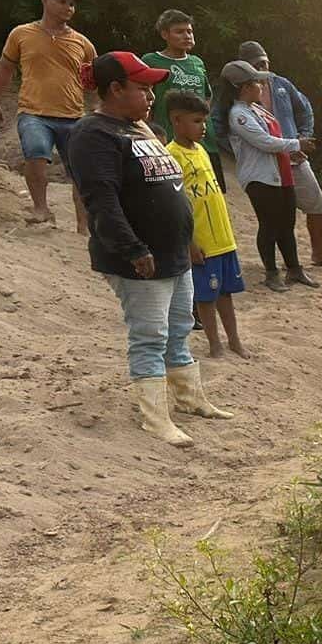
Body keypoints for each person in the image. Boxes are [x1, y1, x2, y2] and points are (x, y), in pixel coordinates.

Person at [70, 52, 231, 447]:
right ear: (115, 89)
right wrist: (133, 249)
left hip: (173, 252)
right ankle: (155, 417)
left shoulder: (137, 126)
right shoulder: (94, 134)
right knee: (150, 335)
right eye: (142, 88)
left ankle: (190, 399)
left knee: (178, 328)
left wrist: (187, 240)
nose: (151, 95)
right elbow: (101, 201)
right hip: (141, 258)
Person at [0, 0, 97, 229]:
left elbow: (96, 78)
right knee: (35, 155)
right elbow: (4, 68)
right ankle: (41, 208)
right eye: (61, 1)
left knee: (82, 173)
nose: (68, 7)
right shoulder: (21, 34)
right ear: (44, 0)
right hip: (34, 112)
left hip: (74, 115)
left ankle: (83, 226)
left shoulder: (83, 43)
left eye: (72, 4)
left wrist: (99, 108)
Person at [231, 40, 322, 268]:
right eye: (256, 65)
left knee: (315, 205)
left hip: (294, 158)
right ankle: (274, 268)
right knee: (272, 219)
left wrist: (303, 136)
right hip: (266, 164)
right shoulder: (240, 102)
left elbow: (305, 108)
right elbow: (256, 138)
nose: (262, 69)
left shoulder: (281, 84)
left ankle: (316, 253)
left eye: (264, 62)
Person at [218, 60, 318, 292]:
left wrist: (292, 147)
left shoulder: (255, 108)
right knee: (269, 225)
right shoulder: (238, 114)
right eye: (256, 82)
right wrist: (296, 143)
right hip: (261, 178)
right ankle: (272, 272)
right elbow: (263, 142)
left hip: (280, 173)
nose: (262, 86)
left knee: (287, 223)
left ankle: (294, 269)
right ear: (242, 87)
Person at [165, 91, 247, 360]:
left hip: (223, 237)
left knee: (226, 293)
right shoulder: (171, 155)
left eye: (205, 121)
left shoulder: (201, 150)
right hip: (202, 241)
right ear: (177, 121)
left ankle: (234, 340)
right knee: (206, 296)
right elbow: (175, 206)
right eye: (197, 121)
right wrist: (189, 242)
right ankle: (215, 344)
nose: (204, 127)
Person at [142, 9, 225, 192]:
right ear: (165, 34)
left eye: (189, 31)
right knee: (176, 194)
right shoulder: (151, 61)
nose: (187, 36)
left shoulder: (197, 62)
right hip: (169, 142)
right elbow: (143, 98)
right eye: (179, 31)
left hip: (204, 143)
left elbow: (207, 96)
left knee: (210, 192)